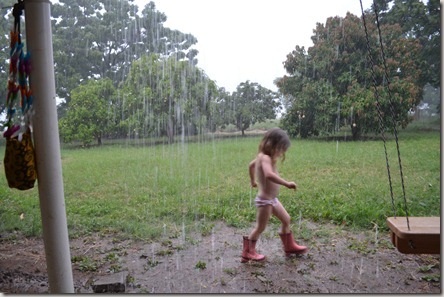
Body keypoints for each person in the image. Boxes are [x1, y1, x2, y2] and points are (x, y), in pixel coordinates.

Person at [241, 128, 308, 263]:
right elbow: (269, 175)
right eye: (280, 149)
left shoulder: (261, 156)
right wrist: (286, 183)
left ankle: (289, 246)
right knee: (260, 227)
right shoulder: (265, 158)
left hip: (272, 200)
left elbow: (251, 166)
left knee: (286, 219)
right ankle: (247, 252)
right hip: (265, 201)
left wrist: (252, 181)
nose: (281, 153)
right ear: (271, 144)